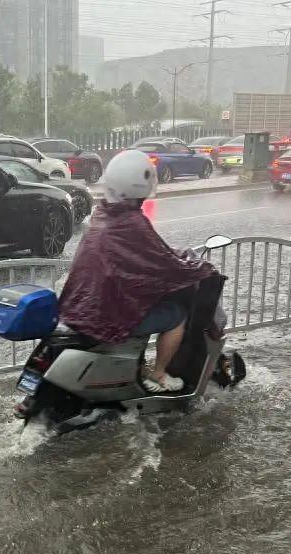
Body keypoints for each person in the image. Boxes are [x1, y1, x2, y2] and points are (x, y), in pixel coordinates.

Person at [58, 150, 219, 393]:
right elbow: (161, 261)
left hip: (85, 308)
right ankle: (159, 373)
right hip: (108, 314)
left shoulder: (102, 215)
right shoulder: (131, 222)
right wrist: (199, 269)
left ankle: (137, 367)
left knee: (141, 304)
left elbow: (145, 256)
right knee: (176, 315)